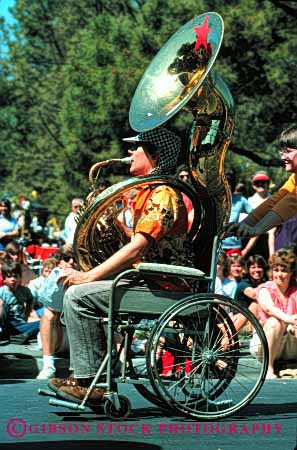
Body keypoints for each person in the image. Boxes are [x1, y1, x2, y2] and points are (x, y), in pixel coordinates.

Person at [48, 127, 194, 403]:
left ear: (154, 155)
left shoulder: (163, 193)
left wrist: (88, 275)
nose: (128, 153)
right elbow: (140, 241)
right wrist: (109, 220)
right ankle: (88, 376)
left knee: (80, 296)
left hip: (165, 283)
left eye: (135, 148)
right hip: (149, 278)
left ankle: (90, 381)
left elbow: (139, 247)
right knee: (77, 294)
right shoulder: (148, 192)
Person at [228, 125, 297, 239]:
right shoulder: (294, 178)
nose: (283, 157)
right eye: (282, 152)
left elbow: (291, 202)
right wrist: (244, 224)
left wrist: (258, 229)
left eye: (288, 152)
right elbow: (275, 201)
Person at [251, 249, 297, 379]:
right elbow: (270, 309)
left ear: (291, 272)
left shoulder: (295, 290)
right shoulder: (265, 289)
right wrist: (289, 319)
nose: (279, 274)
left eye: (284, 270)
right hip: (264, 345)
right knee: (274, 322)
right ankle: (268, 369)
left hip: (290, 344)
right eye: (276, 270)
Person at [36, 246, 77, 379]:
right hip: (57, 337)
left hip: (78, 336)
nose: (71, 261)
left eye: (75, 258)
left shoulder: (88, 272)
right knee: (48, 314)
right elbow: (49, 305)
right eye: (67, 258)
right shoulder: (56, 274)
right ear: (60, 262)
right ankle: (48, 366)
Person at [0, 261, 43, 343]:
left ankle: (24, 335)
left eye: (15, 276)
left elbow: (30, 299)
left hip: (20, 325)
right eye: (9, 277)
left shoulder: (25, 291)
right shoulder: (2, 292)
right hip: (5, 324)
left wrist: (27, 312)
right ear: (4, 279)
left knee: (43, 323)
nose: (13, 279)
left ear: (20, 277)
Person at [221, 171, 253, 256]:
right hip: (217, 245)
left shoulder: (240, 200)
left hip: (234, 246)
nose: (226, 185)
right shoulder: (214, 200)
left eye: (229, 183)